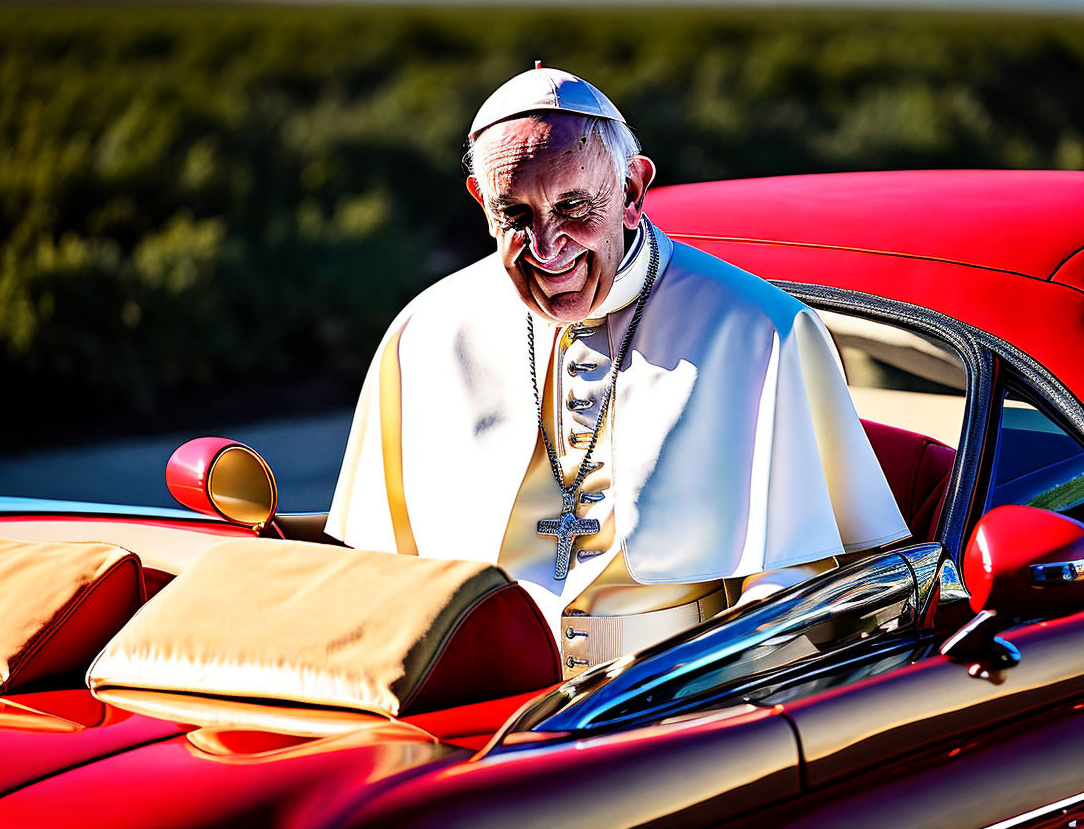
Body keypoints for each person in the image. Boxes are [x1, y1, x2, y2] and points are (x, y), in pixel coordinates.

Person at [327, 65, 909, 677]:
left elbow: (796, 586)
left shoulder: (759, 329)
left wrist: (705, 699)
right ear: (481, 201)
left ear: (632, 191)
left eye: (574, 207)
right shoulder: (425, 333)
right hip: (474, 703)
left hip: (676, 703)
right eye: (515, 214)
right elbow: (380, 573)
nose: (548, 248)